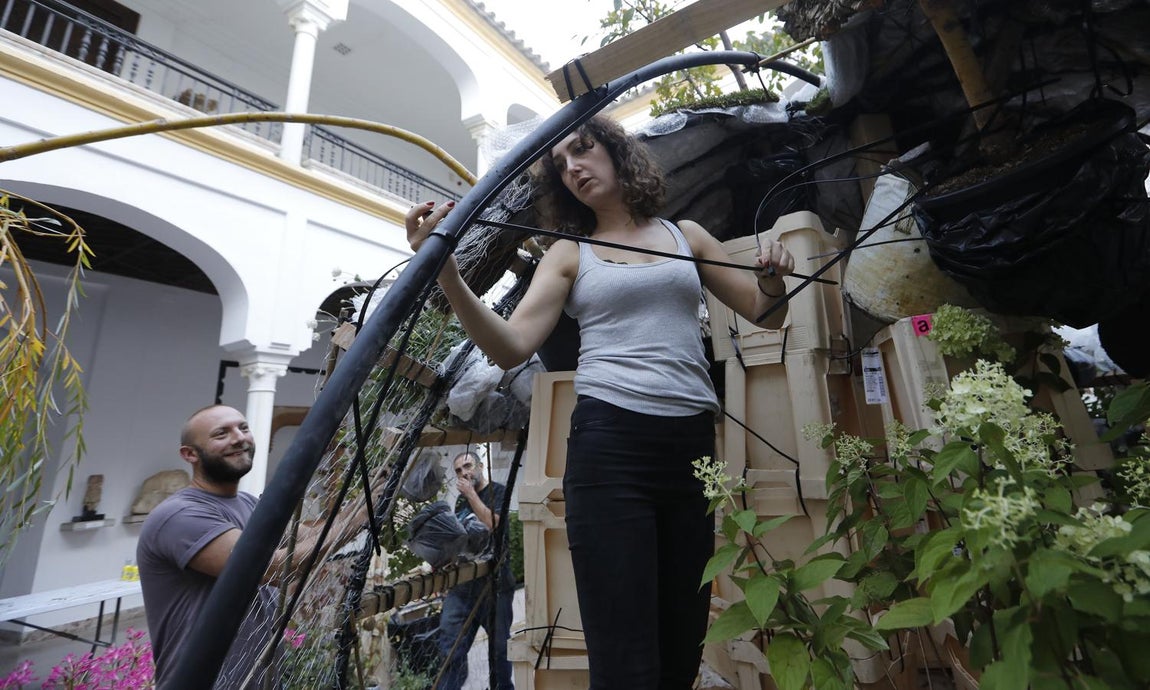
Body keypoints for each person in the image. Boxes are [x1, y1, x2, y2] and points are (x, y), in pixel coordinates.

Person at [407, 116, 794, 690]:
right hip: (611, 448)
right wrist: (448, 275)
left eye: (582, 151)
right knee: (625, 650)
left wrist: (772, 278)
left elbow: (766, 312)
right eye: (561, 166)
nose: (573, 169)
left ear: (618, 152)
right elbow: (510, 346)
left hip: (691, 448)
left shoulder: (686, 234)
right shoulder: (569, 253)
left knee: (682, 637)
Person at [138, 404, 371, 689]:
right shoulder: (180, 515)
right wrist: (354, 523)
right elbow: (271, 567)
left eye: (243, 428)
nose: (239, 437)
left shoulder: (247, 504)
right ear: (190, 454)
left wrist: (356, 510)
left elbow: (299, 539)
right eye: (221, 433)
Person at [436, 451, 515, 690]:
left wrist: (471, 494)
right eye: (459, 470)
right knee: (450, 647)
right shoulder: (460, 502)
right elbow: (459, 538)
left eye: (468, 466)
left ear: (480, 465)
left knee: (499, 650)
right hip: (463, 586)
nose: (464, 473)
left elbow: (492, 524)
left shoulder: (498, 491)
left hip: (495, 584)